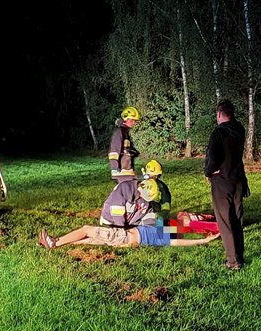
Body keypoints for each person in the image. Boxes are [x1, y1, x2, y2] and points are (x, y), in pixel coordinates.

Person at [204, 100, 249, 271]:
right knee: (237, 218)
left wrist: (208, 172)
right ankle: (240, 255)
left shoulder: (218, 132)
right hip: (238, 179)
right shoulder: (240, 130)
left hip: (222, 180)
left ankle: (233, 260)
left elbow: (212, 156)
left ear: (219, 114)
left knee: (225, 220)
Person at [38, 224, 220, 249]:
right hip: (123, 239)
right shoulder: (159, 231)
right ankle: (56, 244)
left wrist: (203, 240)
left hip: (123, 237)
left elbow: (178, 241)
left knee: (87, 229)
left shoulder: (163, 236)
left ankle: (54, 242)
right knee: (86, 240)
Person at [108, 106, 141, 183]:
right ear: (126, 119)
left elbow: (125, 149)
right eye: (132, 120)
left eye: (135, 121)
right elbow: (114, 151)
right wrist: (115, 167)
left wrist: (133, 152)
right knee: (127, 193)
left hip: (127, 170)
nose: (134, 123)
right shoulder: (119, 132)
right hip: (122, 171)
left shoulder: (125, 133)